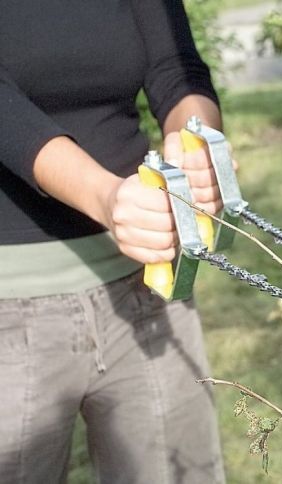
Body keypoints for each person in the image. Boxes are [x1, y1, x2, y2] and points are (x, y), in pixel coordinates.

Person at [0, 1, 226, 483]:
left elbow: (175, 67)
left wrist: (198, 145)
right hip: (10, 305)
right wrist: (104, 197)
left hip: (146, 287)